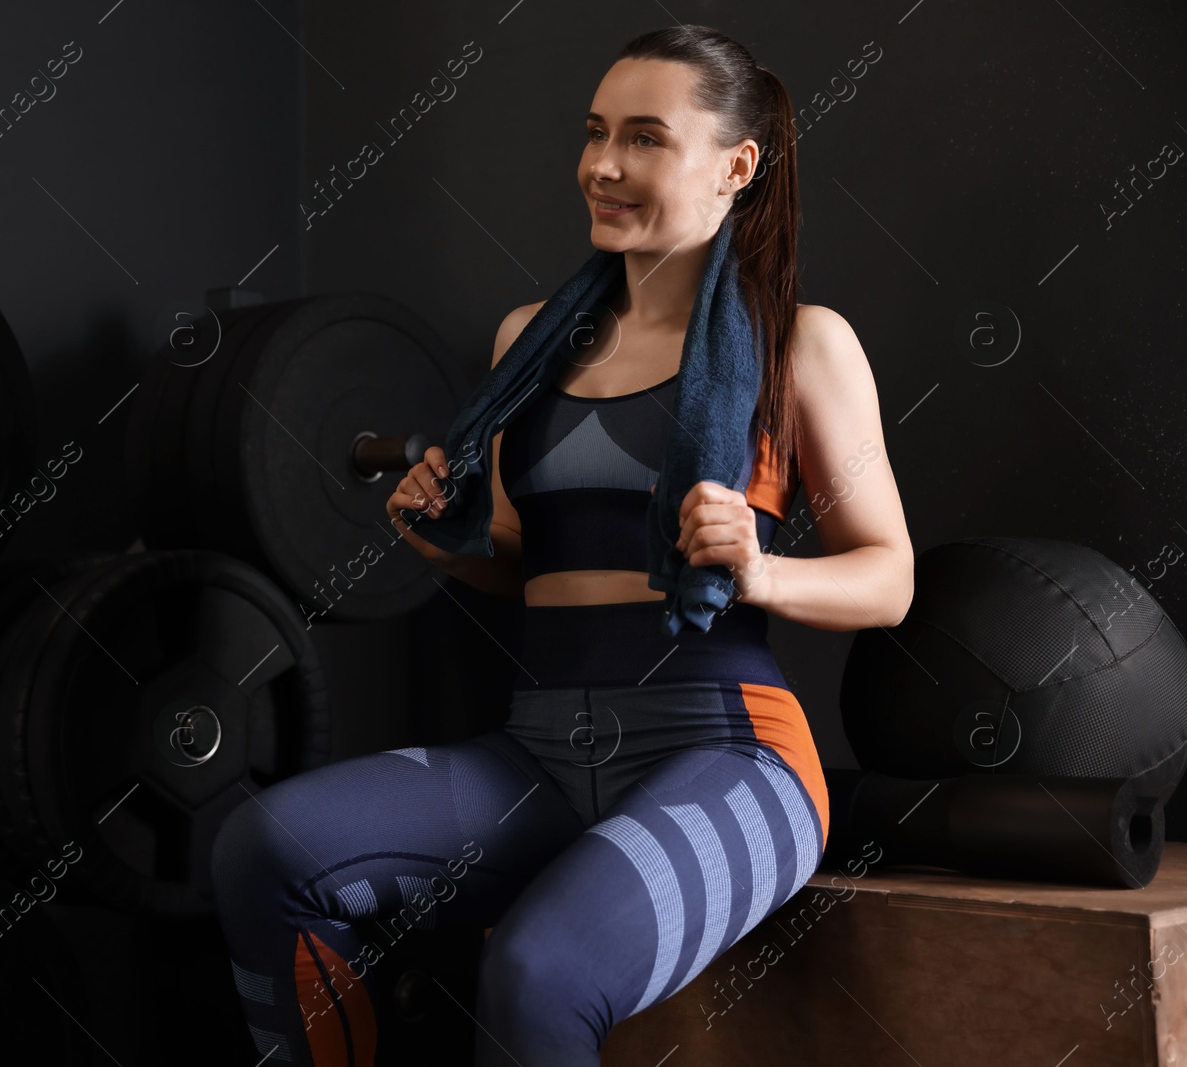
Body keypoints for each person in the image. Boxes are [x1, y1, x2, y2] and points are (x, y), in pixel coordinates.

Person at [210, 24, 914, 1067]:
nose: (603, 165)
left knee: (537, 972)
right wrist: (443, 540)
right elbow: (519, 561)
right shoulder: (525, 339)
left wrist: (759, 568)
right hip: (538, 746)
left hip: (728, 751)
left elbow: (888, 576)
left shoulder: (799, 343)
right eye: (593, 135)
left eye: (643, 137)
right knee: (261, 848)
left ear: (736, 167)